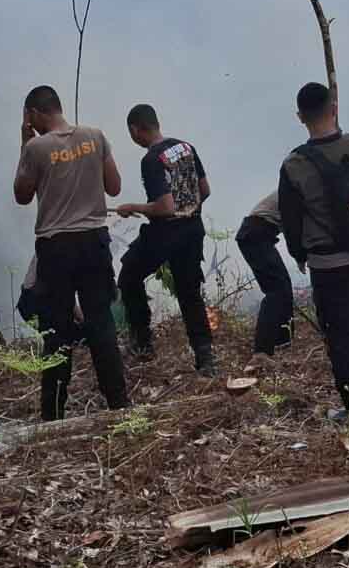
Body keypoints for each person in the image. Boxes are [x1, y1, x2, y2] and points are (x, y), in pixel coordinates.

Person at [13, 85, 129, 420]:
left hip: (56, 248)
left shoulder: (35, 147)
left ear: (33, 114)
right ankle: (119, 405)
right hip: (94, 241)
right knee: (101, 323)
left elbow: (22, 195)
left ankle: (53, 414)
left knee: (57, 330)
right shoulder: (94, 135)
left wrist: (24, 142)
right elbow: (114, 187)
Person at [278, 82, 349, 417]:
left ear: (300, 117)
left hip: (327, 263)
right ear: (335, 107)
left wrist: (300, 254)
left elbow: (291, 220)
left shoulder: (294, 164)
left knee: (341, 333)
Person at [114, 104, 217, 373]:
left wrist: (133, 207)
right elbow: (205, 190)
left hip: (165, 233)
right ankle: (206, 358)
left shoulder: (151, 159)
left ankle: (143, 343)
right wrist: (188, 208)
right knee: (189, 292)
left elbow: (165, 207)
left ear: (136, 129)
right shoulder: (186, 148)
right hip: (193, 229)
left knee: (129, 277)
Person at [235, 192, 295, 357]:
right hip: (256, 233)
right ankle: (262, 350)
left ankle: (283, 341)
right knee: (276, 291)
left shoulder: (299, 186)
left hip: (257, 234)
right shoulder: (299, 190)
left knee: (283, 286)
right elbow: (295, 230)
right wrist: (301, 256)